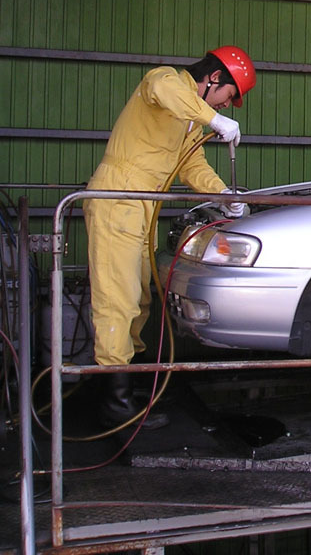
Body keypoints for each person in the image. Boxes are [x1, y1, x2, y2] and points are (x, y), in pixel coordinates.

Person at [84, 46, 256, 429]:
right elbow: (169, 93)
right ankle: (113, 400)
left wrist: (222, 194)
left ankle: (124, 386)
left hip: (143, 205)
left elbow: (192, 165)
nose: (226, 108)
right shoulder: (162, 81)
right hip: (118, 197)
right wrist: (212, 118)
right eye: (228, 97)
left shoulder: (190, 121)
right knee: (119, 297)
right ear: (214, 79)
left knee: (140, 297)